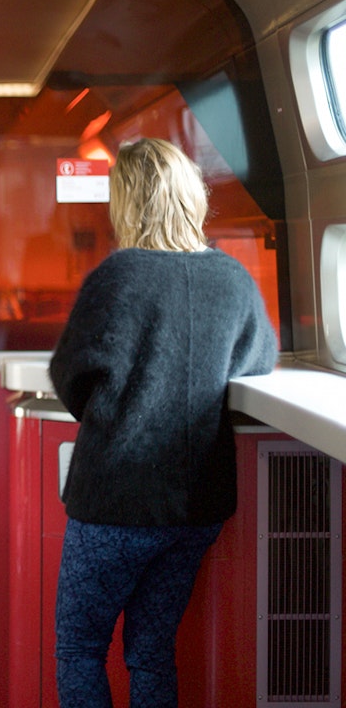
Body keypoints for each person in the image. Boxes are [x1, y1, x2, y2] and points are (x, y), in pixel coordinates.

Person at [48, 138, 278, 707]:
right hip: (195, 506)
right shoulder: (233, 279)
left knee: (80, 648)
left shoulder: (119, 274)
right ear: (189, 197)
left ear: (127, 202)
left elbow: (71, 376)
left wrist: (112, 417)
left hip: (115, 502)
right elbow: (258, 362)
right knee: (151, 652)